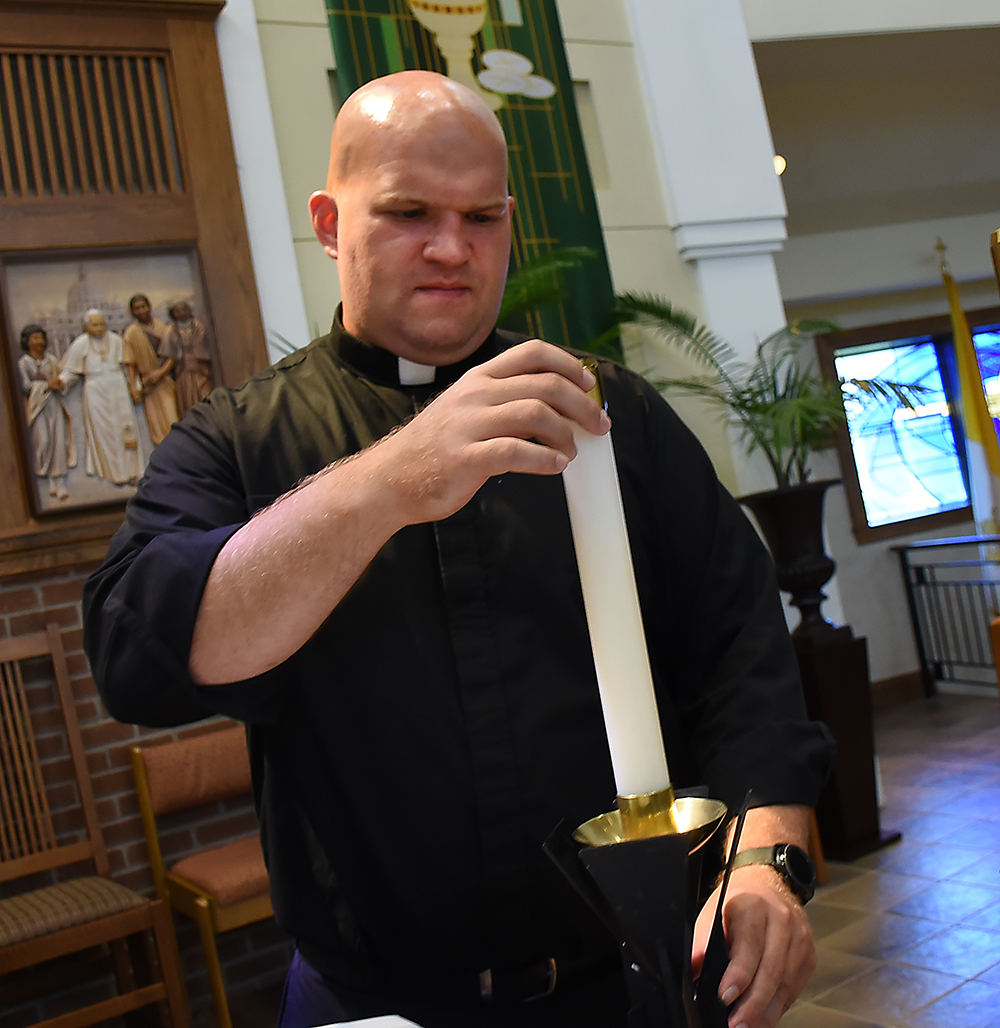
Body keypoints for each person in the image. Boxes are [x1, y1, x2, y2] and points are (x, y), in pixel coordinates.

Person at [84, 71, 833, 1028]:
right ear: (327, 221)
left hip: (632, 982)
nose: (451, 248)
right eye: (407, 213)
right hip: (379, 1002)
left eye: (482, 217)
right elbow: (135, 656)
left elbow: (742, 650)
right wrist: (392, 478)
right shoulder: (234, 442)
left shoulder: (613, 418)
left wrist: (766, 860)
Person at [55, 309, 143, 486]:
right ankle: (115, 474)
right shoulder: (81, 344)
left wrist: (135, 387)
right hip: (96, 390)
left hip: (118, 386)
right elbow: (71, 371)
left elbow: (128, 367)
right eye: (95, 324)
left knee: (126, 428)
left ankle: (133, 472)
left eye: (102, 323)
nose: (99, 327)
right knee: (105, 432)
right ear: (85, 326)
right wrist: (61, 382)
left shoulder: (116, 340)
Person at [17, 323, 76, 500]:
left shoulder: (51, 360)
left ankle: (58, 482)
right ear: (27, 342)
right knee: (42, 440)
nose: (39, 341)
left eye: (40, 337)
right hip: (37, 407)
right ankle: (46, 476)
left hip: (53, 404)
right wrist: (44, 385)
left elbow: (62, 377)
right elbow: (25, 386)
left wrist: (59, 384)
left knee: (57, 441)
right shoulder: (24, 363)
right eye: (34, 338)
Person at [122, 293, 178, 446]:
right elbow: (130, 363)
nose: (141, 311)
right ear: (132, 312)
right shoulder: (131, 333)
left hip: (165, 381)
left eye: (143, 307)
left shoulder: (164, 329)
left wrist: (161, 373)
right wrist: (133, 386)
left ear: (149, 307)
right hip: (148, 385)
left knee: (172, 418)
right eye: (136, 308)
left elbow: (173, 356)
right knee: (156, 425)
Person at [159, 299, 214, 417]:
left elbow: (204, 348)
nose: (182, 313)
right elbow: (169, 354)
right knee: (187, 400)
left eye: (184, 309)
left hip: (200, 369)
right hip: (183, 371)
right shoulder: (170, 331)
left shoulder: (199, 327)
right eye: (178, 311)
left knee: (206, 395)